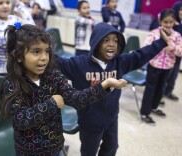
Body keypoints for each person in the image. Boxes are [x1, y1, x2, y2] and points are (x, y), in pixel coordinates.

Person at [0, 23, 127, 156]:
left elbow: (76, 99)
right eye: (36, 51)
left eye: (47, 51)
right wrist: (52, 104)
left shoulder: (53, 75)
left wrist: (104, 85)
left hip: (56, 149)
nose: (44, 57)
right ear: (18, 56)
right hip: (28, 152)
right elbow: (21, 120)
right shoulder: (12, 83)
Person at [56, 22, 170, 156]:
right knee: (89, 152)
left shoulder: (120, 62)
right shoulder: (79, 64)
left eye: (115, 41)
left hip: (111, 118)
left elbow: (140, 55)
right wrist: (38, 49)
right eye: (106, 40)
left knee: (112, 147)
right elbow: (58, 62)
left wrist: (161, 42)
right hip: (89, 120)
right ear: (96, 42)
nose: (112, 44)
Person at [0, 0, 34, 120]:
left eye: (8, 2)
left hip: (14, 68)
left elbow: (31, 28)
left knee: (15, 100)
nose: (5, 6)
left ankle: (13, 127)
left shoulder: (14, 20)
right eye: (0, 3)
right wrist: (13, 30)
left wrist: (22, 8)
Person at [140, 9, 182, 125]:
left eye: (171, 22)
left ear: (174, 22)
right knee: (150, 89)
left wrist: (171, 46)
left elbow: (180, 51)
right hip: (154, 66)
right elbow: (146, 47)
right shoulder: (154, 33)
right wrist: (160, 45)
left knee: (161, 88)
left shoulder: (177, 36)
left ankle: (154, 107)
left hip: (168, 67)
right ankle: (144, 113)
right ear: (160, 21)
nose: (168, 25)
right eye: (165, 22)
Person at [163, 1, 182, 101]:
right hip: (168, 55)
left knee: (174, 75)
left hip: (178, 54)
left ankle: (168, 91)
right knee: (166, 75)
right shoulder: (173, 24)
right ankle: (160, 93)